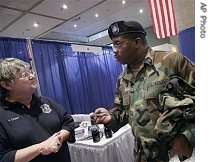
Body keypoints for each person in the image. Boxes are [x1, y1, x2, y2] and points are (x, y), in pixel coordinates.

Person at [92, 20, 195, 162]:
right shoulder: (122, 79)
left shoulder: (172, 62)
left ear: (137, 42)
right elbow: (122, 111)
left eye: (117, 43)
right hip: (143, 155)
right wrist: (110, 117)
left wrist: (187, 136)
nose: (114, 50)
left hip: (176, 153)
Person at [0, 58, 75, 162]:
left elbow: (68, 123)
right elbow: (3, 157)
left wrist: (58, 139)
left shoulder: (44, 101)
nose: (32, 76)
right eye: (24, 75)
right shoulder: (2, 114)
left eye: (30, 72)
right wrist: (42, 147)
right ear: (7, 85)